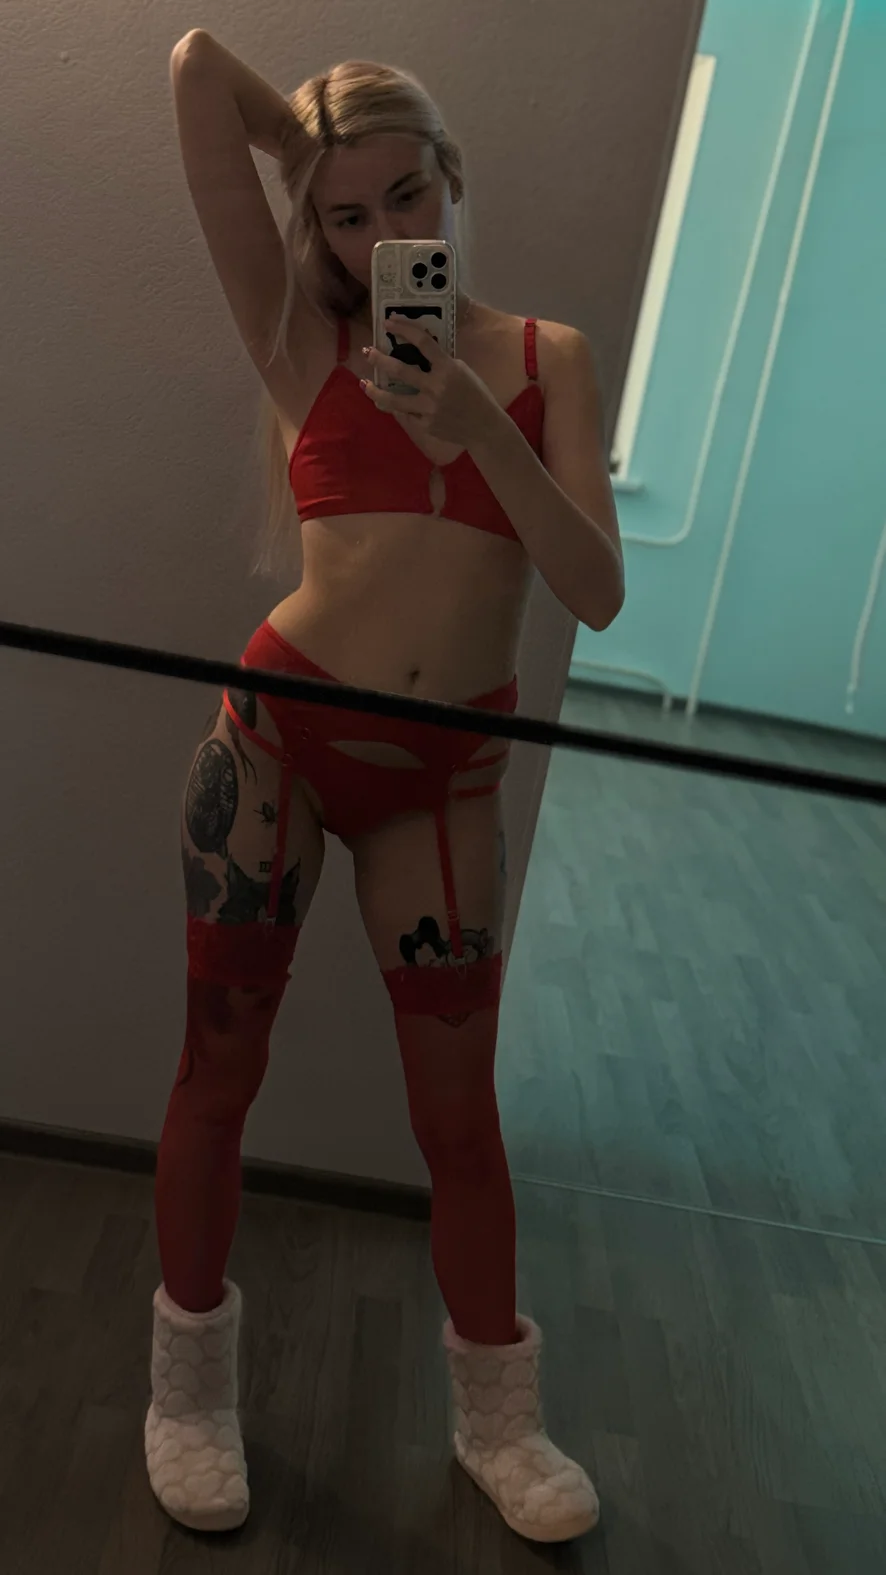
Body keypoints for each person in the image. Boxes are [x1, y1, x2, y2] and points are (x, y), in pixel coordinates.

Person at [146, 27, 624, 1545]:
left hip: (444, 781)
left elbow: (595, 592)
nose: (379, 238)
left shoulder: (546, 361)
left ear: (453, 178)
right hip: (278, 746)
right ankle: (187, 1396)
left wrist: (475, 424)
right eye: (348, 218)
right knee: (218, 1071)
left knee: (459, 1120)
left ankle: (502, 1424)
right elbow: (195, 73)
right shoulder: (300, 339)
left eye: (408, 196)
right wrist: (317, 154)